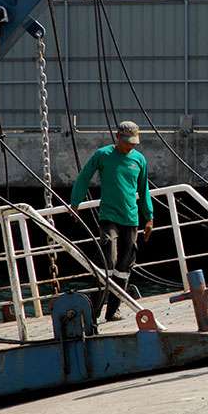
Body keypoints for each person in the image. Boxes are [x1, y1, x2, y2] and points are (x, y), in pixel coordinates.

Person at [70, 120, 154, 322]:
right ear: (118, 137)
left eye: (134, 142)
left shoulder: (139, 160)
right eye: (127, 141)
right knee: (107, 263)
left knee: (124, 267)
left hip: (131, 219)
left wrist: (149, 217)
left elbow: (143, 191)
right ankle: (93, 311)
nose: (130, 145)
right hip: (109, 218)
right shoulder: (103, 155)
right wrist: (75, 203)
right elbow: (84, 177)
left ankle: (113, 310)